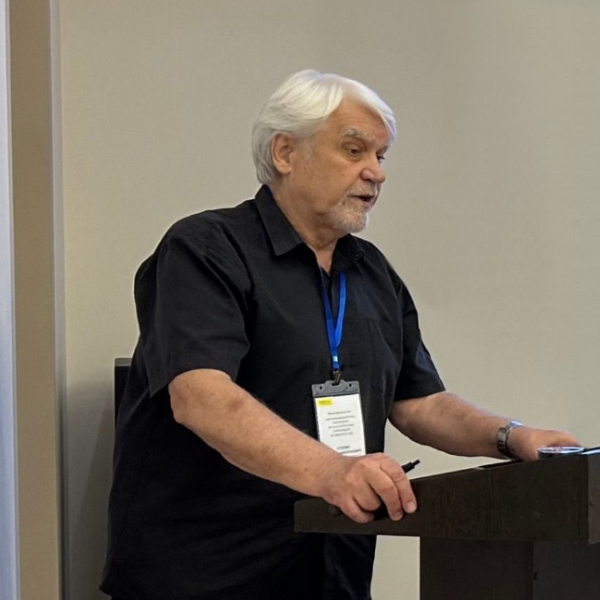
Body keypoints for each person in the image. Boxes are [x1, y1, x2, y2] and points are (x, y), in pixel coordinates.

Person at [101, 70, 580, 600]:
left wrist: (511, 437)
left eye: (381, 156)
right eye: (355, 151)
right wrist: (333, 472)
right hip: (210, 573)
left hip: (333, 571)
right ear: (285, 152)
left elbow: (420, 403)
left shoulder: (370, 272)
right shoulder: (206, 249)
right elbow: (201, 398)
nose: (376, 172)